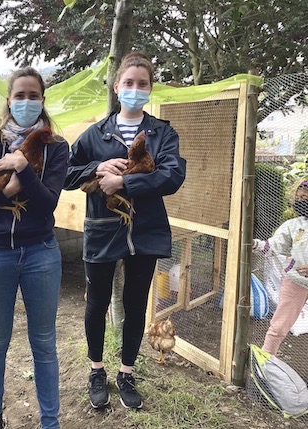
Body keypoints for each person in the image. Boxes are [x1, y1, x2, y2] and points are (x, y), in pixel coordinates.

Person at [63, 52, 186, 410]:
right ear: (117, 88)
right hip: (103, 229)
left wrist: (124, 182)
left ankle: (127, 372)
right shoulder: (95, 134)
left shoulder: (162, 133)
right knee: (97, 303)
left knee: (135, 305)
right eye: (128, 83)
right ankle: (96, 370)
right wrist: (97, 166)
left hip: (145, 231)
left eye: (142, 84)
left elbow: (172, 175)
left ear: (150, 88)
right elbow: (67, 175)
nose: (135, 89)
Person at [0, 66, 69, 429]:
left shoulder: (56, 147)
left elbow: (47, 204)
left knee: (43, 342)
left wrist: (23, 169)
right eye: (20, 95)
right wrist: (5, 192)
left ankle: (50, 422)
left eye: (33, 95)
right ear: (8, 100)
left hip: (41, 252)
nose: (26, 101)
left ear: (43, 100)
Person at [252, 180, 308, 356]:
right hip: (296, 280)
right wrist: (254, 244)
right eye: (298, 198)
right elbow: (274, 246)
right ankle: (266, 359)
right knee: (279, 325)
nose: (300, 201)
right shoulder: (293, 225)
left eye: (305, 197)